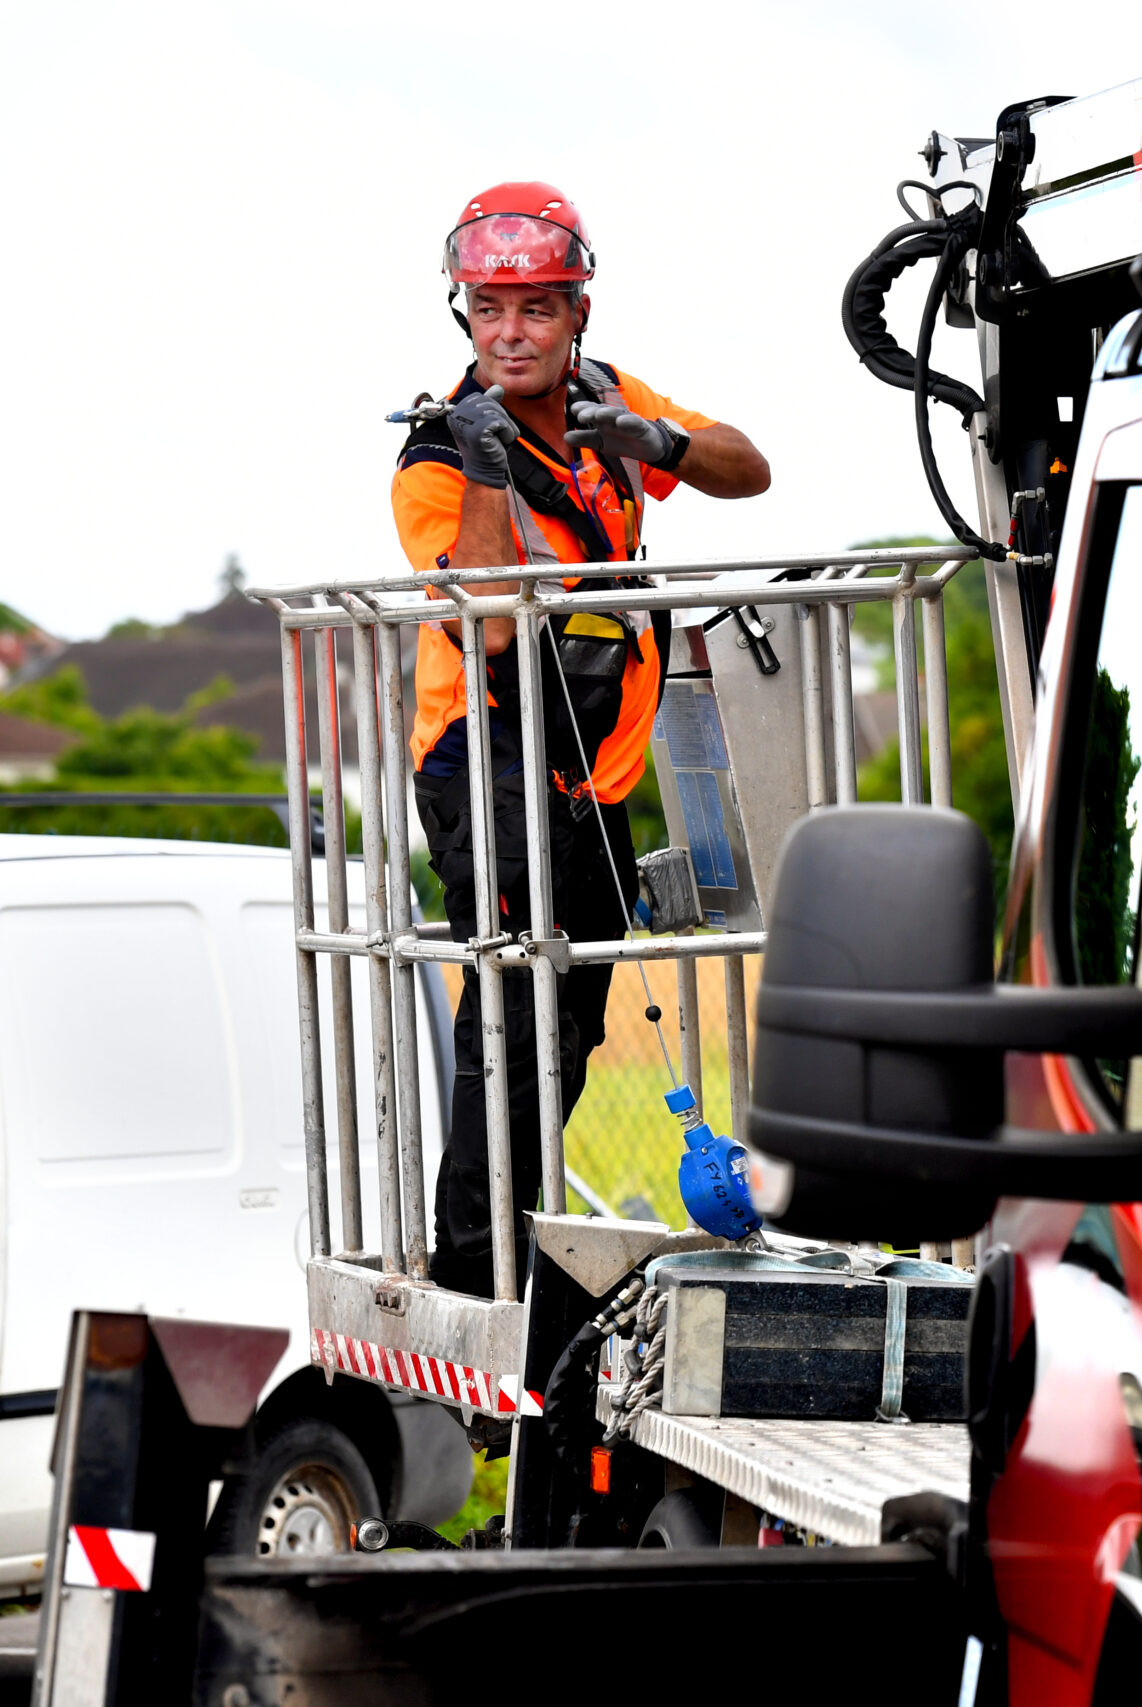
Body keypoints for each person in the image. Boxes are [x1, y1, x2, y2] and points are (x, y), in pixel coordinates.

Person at [391, 182, 770, 1296]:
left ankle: (522, 1234)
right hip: (485, 763)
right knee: (510, 1017)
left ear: (577, 316)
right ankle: (479, 1270)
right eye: (489, 310)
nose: (510, 333)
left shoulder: (608, 400)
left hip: (595, 772)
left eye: (537, 310)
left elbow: (749, 471)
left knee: (573, 1025)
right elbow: (494, 612)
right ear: (463, 314)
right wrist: (492, 474)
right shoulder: (435, 458)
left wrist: (660, 441)